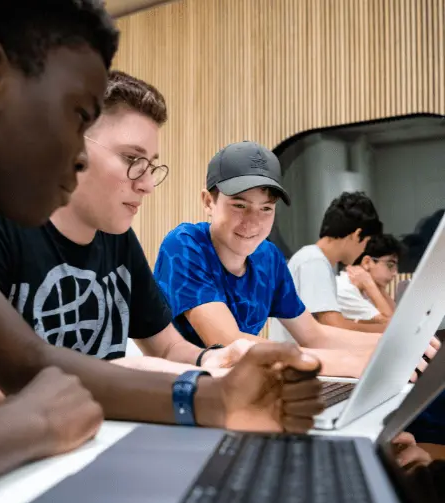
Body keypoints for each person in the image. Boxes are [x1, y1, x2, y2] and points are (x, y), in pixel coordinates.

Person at [0, 2, 323, 503]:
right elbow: (16, 395)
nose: (78, 156)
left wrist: (216, 398)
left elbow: (30, 363)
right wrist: (31, 425)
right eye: (76, 116)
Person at [0, 70, 254, 416]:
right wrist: (116, 378)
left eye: (151, 166)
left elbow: (167, 347)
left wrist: (212, 359)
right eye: (132, 160)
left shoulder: (117, 237)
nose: (147, 184)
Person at [154, 141, 392, 379]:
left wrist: (392, 346)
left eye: (266, 209)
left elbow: (314, 334)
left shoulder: (268, 257)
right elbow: (228, 344)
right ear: (208, 202)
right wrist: (349, 362)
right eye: (239, 205)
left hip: (244, 384)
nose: (253, 222)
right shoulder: (185, 244)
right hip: (182, 388)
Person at [269, 191, 387, 342]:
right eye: (366, 242)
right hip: (296, 359)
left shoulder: (316, 259)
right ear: (357, 234)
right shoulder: (313, 261)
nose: (364, 250)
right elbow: (333, 325)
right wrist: (384, 330)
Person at [337, 233, 404, 325]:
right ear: (367, 262)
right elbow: (391, 326)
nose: (395, 273)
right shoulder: (344, 289)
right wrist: (369, 284)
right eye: (390, 265)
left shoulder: (367, 288)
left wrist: (377, 288)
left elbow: (400, 320)